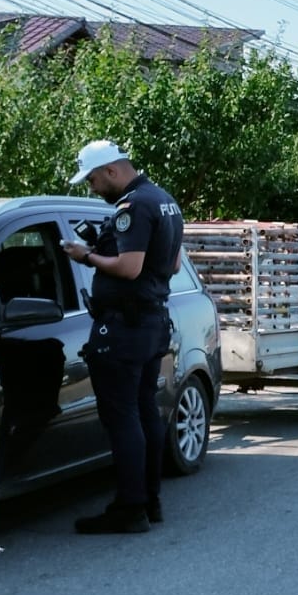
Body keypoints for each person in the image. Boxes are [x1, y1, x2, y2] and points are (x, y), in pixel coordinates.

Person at [60, 139, 185, 535]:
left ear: (112, 171)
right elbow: (174, 261)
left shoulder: (133, 207)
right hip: (150, 323)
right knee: (144, 411)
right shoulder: (165, 200)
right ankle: (150, 501)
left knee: (123, 417)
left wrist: (86, 256)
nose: (93, 188)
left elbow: (130, 268)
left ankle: (130, 508)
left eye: (94, 179)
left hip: (125, 328)